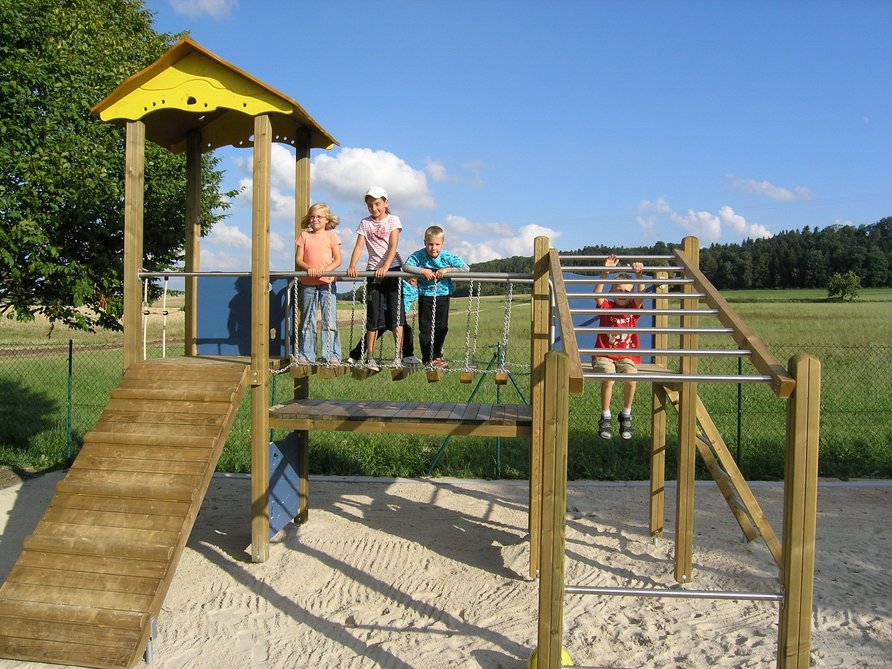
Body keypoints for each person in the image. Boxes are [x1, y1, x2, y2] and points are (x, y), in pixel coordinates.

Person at [346, 187, 404, 371]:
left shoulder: (393, 220)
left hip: (392, 269)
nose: (374, 208)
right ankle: (370, 357)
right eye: (370, 205)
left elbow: (393, 245)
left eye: (377, 204)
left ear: (386, 203)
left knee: (396, 316)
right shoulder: (365, 223)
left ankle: (398, 357)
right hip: (373, 271)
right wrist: (352, 265)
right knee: (373, 316)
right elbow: (359, 246)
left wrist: (386, 266)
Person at [592, 255, 645, 440]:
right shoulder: (607, 306)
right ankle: (605, 416)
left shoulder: (632, 309)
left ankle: (626, 414)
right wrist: (605, 272)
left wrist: (639, 276)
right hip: (605, 355)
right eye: (619, 290)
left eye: (627, 291)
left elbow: (641, 296)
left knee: (632, 377)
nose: (623, 294)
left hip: (626, 356)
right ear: (612, 291)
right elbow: (597, 294)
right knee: (609, 376)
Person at [403, 226, 469, 367]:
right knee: (425, 328)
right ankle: (428, 358)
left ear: (442, 244)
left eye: (437, 244)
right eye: (430, 244)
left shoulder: (446, 256)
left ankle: (437, 355)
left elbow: (465, 268)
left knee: (441, 327)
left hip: (443, 295)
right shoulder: (420, 255)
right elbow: (406, 266)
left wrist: (447, 270)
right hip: (425, 295)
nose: (433, 248)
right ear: (425, 243)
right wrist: (422, 271)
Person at [295, 203, 342, 364]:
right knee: (309, 319)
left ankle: (331, 354)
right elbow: (299, 259)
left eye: (319, 217)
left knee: (329, 320)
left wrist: (325, 270)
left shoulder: (331, 236)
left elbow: (338, 260)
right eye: (312, 217)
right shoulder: (304, 236)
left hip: (327, 283)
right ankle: (307, 353)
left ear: (326, 219)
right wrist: (310, 269)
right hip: (309, 282)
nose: (315, 220)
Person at [347, 278, 421, 364]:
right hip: (392, 313)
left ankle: (354, 356)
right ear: (411, 281)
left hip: (389, 311)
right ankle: (407, 355)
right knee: (406, 331)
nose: (417, 286)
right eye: (417, 283)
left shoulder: (404, 286)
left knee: (374, 333)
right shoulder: (408, 288)